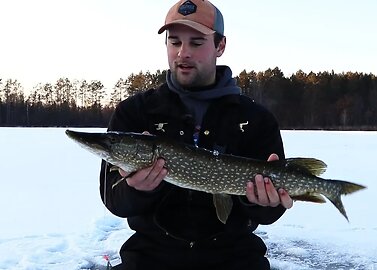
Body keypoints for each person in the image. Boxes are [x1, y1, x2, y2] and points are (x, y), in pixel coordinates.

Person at [100, 0, 293, 269]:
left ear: (220, 46)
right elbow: (115, 201)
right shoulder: (135, 113)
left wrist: (264, 204)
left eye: (197, 42)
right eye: (175, 42)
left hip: (235, 258)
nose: (183, 53)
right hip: (150, 258)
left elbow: (269, 212)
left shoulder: (256, 120)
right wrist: (137, 190)